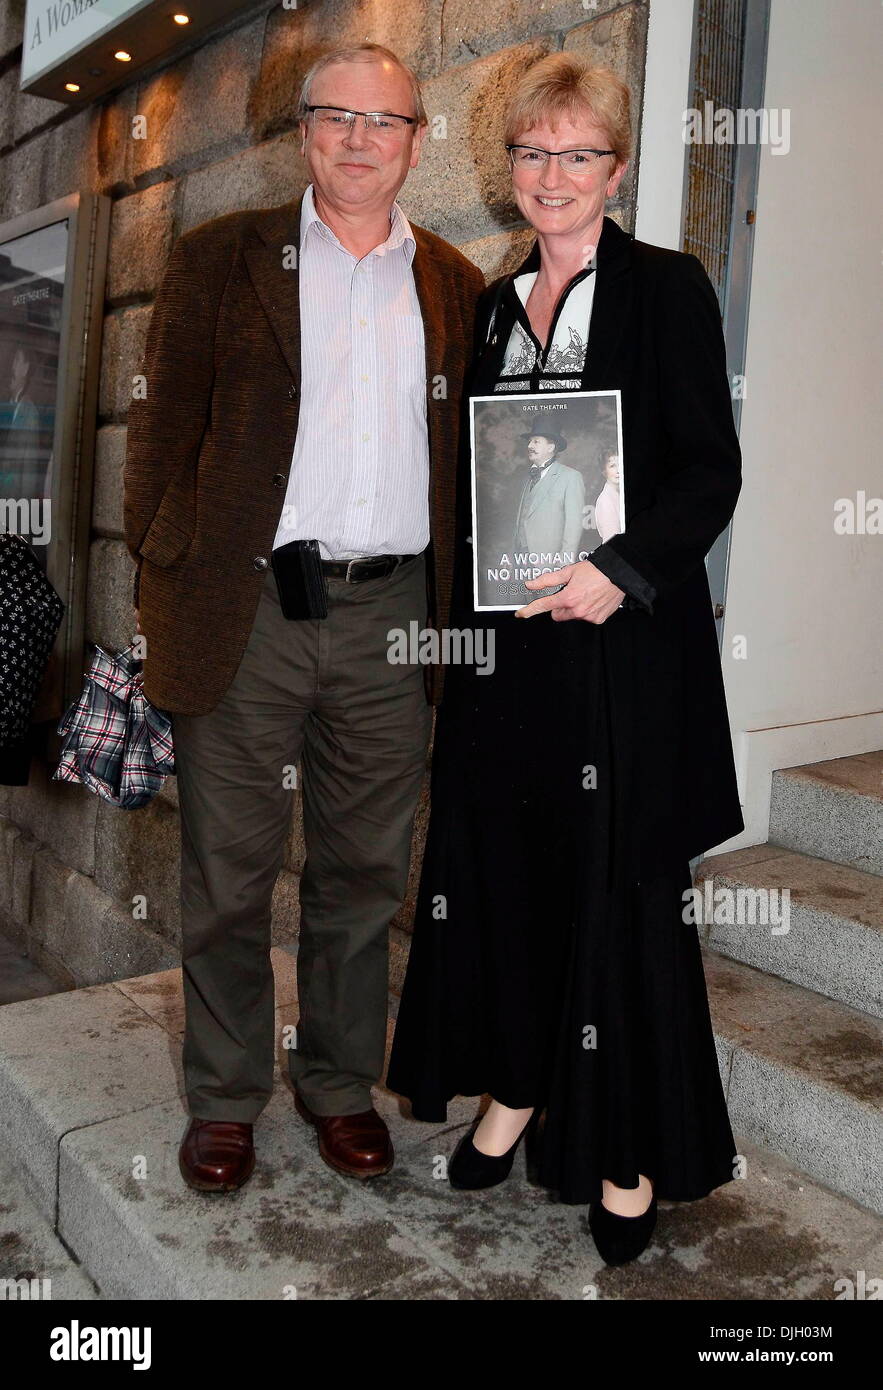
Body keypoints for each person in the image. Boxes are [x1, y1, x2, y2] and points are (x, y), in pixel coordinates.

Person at [386, 54, 744, 1267]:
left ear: (615, 168)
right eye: (532, 154)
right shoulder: (494, 303)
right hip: (511, 656)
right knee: (507, 871)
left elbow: (709, 469)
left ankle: (629, 1146)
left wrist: (622, 570)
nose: (551, 175)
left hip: (619, 656)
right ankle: (520, 1094)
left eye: (576, 154)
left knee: (613, 886)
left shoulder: (665, 286)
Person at [123, 43, 484, 1193]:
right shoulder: (220, 257)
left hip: (392, 623)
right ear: (305, 131)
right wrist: (171, 569)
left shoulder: (457, 286)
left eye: (386, 122)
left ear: (417, 141)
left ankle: (336, 1084)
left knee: (363, 874)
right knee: (225, 873)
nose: (360, 140)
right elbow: (159, 436)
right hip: (251, 612)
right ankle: (225, 1095)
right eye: (337, 116)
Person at [513, 422, 585, 558]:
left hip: (550, 562)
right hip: (520, 560)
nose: (529, 446)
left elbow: (574, 525)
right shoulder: (528, 477)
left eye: (536, 442)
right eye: (529, 442)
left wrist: (564, 563)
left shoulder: (571, 477)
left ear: (551, 447)